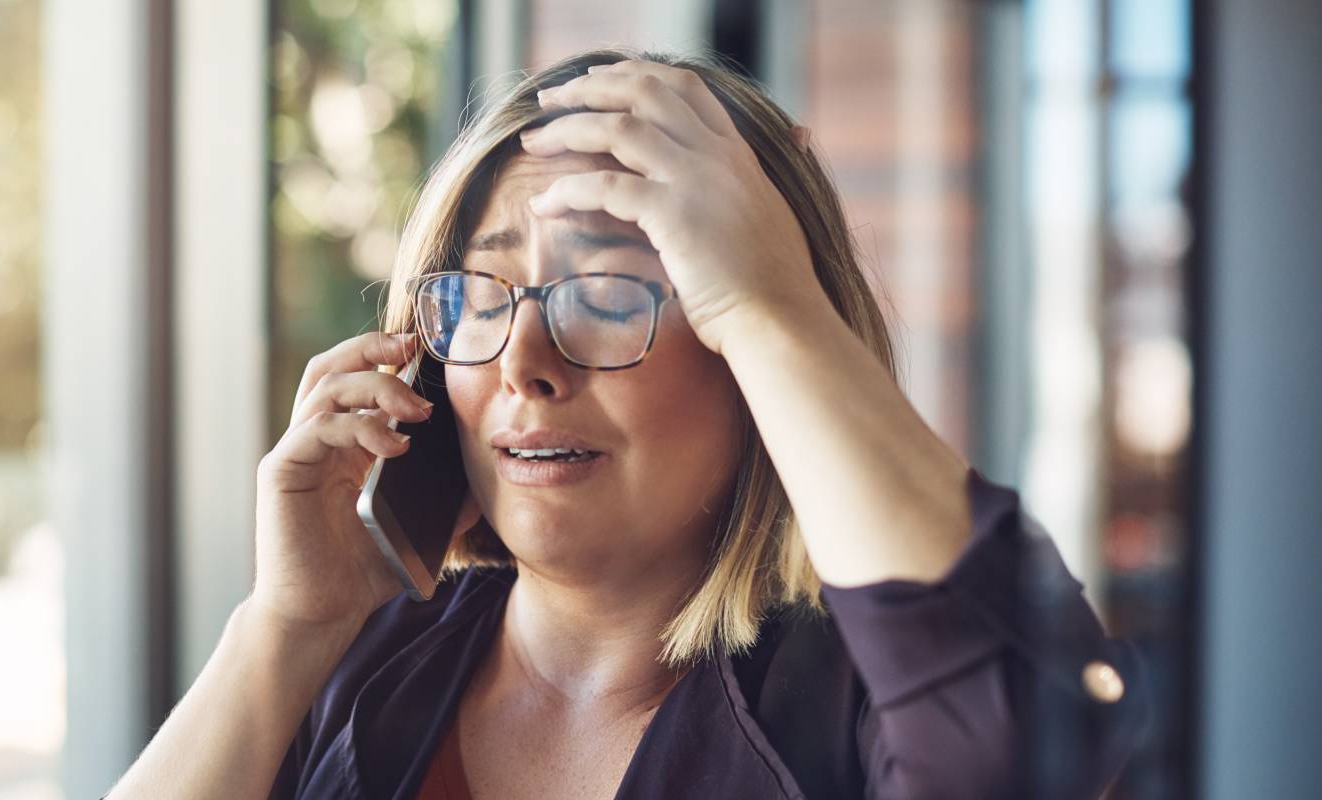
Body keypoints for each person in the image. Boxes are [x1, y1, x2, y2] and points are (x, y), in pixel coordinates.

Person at [111, 48, 1146, 799]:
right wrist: (283, 630)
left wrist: (773, 301)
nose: (523, 361)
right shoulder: (358, 662)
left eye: (606, 293)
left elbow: (1039, 738)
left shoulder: (857, 711)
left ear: (754, 354)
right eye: (481, 296)